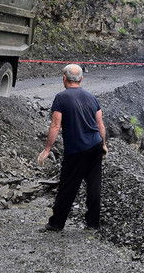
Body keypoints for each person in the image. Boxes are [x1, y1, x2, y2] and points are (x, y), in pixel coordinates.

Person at [37, 64, 108, 231]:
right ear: (81, 79)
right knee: (94, 184)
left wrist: (47, 149)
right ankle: (93, 223)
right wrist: (103, 144)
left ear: (64, 78)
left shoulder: (61, 98)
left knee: (68, 186)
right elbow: (100, 124)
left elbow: (55, 126)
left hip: (76, 150)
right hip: (95, 145)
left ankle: (56, 224)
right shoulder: (92, 97)